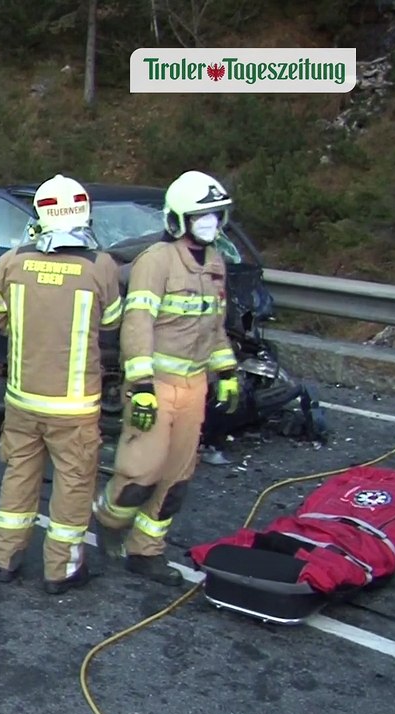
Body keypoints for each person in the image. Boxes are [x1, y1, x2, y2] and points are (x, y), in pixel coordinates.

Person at [0, 174, 123, 594]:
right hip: (74, 405)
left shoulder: (13, 260)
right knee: (73, 486)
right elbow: (112, 325)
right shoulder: (101, 266)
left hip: (22, 399)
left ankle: (6, 558)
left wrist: (19, 328)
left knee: (19, 477)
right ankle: (60, 570)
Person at [94, 170, 240, 586]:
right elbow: (137, 325)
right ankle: (107, 518)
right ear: (179, 218)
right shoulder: (156, 262)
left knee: (177, 479)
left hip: (193, 386)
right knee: (141, 473)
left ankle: (146, 550)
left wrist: (225, 369)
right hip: (154, 385)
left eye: (215, 214)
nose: (210, 223)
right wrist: (140, 388)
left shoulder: (214, 264)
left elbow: (214, 326)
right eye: (201, 215)